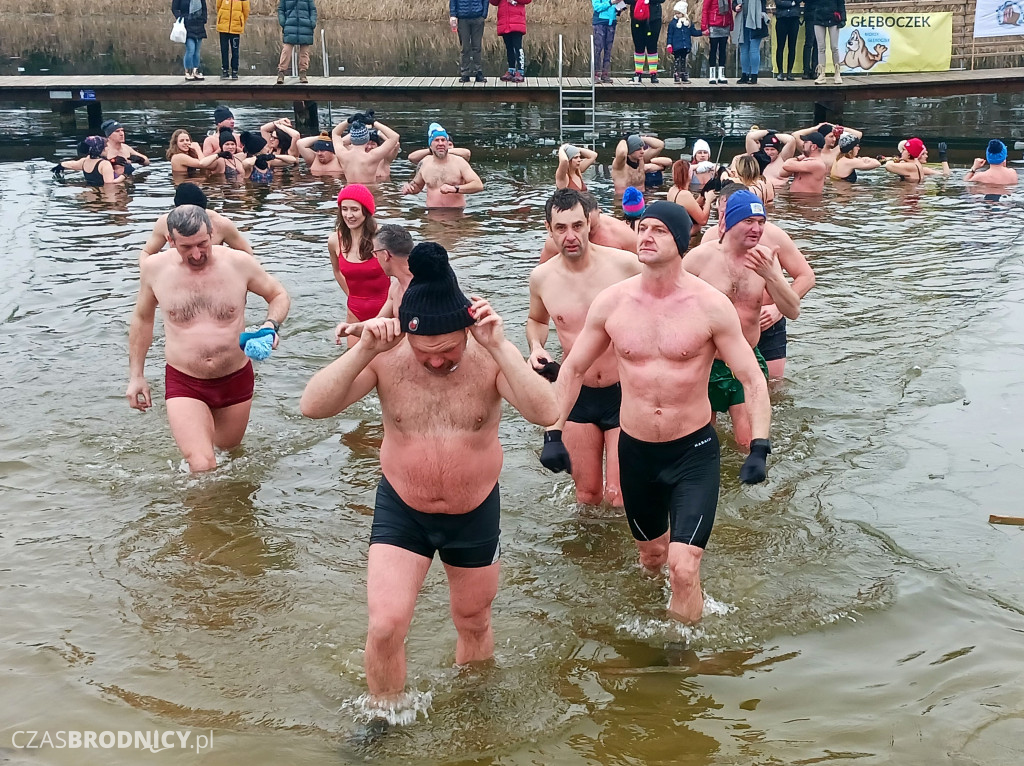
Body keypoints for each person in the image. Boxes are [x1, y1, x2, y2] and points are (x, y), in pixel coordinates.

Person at [299, 242, 558, 712]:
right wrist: (364, 351)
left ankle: (473, 707)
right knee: (384, 625)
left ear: (466, 328)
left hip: (474, 511)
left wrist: (500, 345)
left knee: (473, 621)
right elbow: (312, 406)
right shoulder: (387, 357)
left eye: (447, 351)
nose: (436, 361)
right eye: (425, 353)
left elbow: (547, 412)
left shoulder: (488, 358)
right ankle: (384, 717)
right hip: (403, 509)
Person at [542, 201, 772, 624]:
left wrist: (759, 444)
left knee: (682, 567)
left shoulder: (710, 305)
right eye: (642, 228)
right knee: (651, 558)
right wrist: (553, 432)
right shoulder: (613, 303)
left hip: (693, 451)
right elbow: (573, 367)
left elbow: (752, 378)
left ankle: (679, 658)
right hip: (636, 451)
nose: (645, 236)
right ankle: (652, 619)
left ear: (681, 241)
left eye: (659, 231)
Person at [126, 205, 290, 472]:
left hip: (235, 377)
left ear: (212, 233)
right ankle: (195, 512)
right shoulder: (155, 269)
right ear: (170, 241)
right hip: (185, 379)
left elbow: (278, 294)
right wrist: (136, 376)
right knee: (202, 464)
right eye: (186, 247)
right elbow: (143, 319)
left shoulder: (238, 263)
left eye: (203, 244)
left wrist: (271, 325)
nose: (197, 254)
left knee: (230, 458)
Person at [529, 189, 641, 506]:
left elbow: (670, 295)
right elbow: (536, 320)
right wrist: (536, 345)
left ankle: (626, 555)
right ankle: (588, 556)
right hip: (576, 392)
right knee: (587, 495)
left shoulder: (625, 266)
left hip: (623, 390)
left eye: (578, 225)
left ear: (589, 223)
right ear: (549, 230)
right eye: (562, 228)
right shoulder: (542, 278)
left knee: (619, 497)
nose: (571, 235)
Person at [682, 190, 798, 447]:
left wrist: (772, 276)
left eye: (761, 222)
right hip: (705, 364)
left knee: (748, 443)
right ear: (730, 222)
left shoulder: (765, 258)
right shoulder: (700, 258)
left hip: (746, 361)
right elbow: (668, 305)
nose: (756, 228)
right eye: (748, 221)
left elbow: (793, 310)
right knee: (701, 445)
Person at [699, 182, 815, 380]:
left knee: (773, 387)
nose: (722, 220)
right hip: (724, 336)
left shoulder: (772, 237)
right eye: (720, 213)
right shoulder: (707, 244)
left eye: (757, 221)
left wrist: (777, 311)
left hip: (768, 321)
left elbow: (807, 276)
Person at [334, 224, 416, 343]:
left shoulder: (422, 286)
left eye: (375, 253)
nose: (375, 257)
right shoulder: (395, 287)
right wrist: (352, 328)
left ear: (385, 255)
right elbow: (378, 321)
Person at [139, 182, 253, 264]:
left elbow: (247, 254)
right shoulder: (165, 223)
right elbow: (147, 253)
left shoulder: (221, 224)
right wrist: (148, 278)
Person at [330, 184, 390, 327]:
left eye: (355, 209)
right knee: (350, 350)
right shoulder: (334, 241)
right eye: (344, 209)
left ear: (366, 211)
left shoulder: (384, 237)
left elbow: (403, 273)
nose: (349, 215)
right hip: (355, 312)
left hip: (386, 311)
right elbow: (337, 271)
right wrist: (351, 296)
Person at [402, 123, 484, 208]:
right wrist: (409, 188)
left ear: (447, 143)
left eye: (443, 140)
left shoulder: (459, 162)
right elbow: (417, 186)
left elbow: (478, 185)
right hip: (432, 213)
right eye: (436, 140)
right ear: (430, 145)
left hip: (456, 213)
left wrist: (454, 189)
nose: (440, 143)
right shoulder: (425, 163)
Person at [539, 192, 639, 261]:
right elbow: (542, 273)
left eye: (578, 226)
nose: (572, 237)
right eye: (577, 226)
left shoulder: (623, 234)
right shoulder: (556, 240)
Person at [332, 114, 401, 184]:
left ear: (351, 139)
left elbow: (335, 133)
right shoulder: (372, 156)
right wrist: (373, 122)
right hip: (368, 191)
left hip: (349, 191)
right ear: (367, 138)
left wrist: (348, 121)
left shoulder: (343, 154)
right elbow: (395, 137)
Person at [55, 136, 126, 187]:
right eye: (106, 146)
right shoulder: (104, 164)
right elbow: (109, 184)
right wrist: (124, 175)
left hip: (90, 192)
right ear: (99, 149)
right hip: (102, 195)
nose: (108, 148)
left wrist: (60, 166)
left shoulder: (85, 161)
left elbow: (72, 164)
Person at [667, 159, 714, 233]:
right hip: (686, 238)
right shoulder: (685, 194)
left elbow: (686, 208)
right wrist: (708, 200)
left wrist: (701, 196)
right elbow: (703, 221)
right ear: (689, 173)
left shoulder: (672, 189)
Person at [276, 0, 317, 84]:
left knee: (304, 52)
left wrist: (312, 22)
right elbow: (281, 9)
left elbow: (313, 10)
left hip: (305, 26)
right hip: (290, 25)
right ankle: (281, 72)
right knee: (286, 50)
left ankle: (303, 73)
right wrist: (283, 22)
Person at [807, 0, 845, 84]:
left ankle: (837, 73)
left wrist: (843, 18)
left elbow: (841, 3)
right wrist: (812, 13)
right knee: (821, 47)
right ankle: (821, 74)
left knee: (834, 47)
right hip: (818, 18)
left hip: (833, 18)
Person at [492, 0, 530, 82]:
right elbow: (493, 2)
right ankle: (511, 70)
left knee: (517, 47)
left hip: (517, 21)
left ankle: (520, 72)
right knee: (509, 48)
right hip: (504, 21)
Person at [451, 0, 489, 82]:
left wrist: (484, 15)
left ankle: (478, 72)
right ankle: (465, 73)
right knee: (465, 47)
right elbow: (453, 1)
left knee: (477, 47)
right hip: (462, 18)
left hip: (478, 17)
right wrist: (453, 15)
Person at [626, 0, 664, 83]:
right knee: (639, 46)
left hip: (654, 18)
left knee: (652, 46)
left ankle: (653, 74)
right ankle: (638, 73)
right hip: (637, 17)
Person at [171, 0, 208, 81]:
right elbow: (174, 8)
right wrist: (181, 18)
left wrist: (204, 19)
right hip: (186, 25)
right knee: (191, 49)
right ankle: (188, 71)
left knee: (197, 51)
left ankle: (196, 71)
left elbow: (204, 8)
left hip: (199, 24)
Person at [665, 1, 701, 83]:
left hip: (685, 46)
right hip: (676, 46)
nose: (677, 15)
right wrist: (669, 44)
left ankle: (683, 75)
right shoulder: (673, 23)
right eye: (676, 13)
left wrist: (702, 32)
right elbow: (670, 35)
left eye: (679, 13)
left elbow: (693, 32)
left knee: (684, 60)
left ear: (683, 13)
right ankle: (676, 75)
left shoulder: (688, 23)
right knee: (677, 60)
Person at [883, 137, 950, 181]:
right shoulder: (915, 164)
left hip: (909, 195)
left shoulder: (912, 166)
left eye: (904, 150)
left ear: (909, 153)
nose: (901, 152)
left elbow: (888, 166)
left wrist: (892, 159)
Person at [733, 0, 767, 85]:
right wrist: (735, 7)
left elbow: (763, 3)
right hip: (742, 22)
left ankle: (754, 75)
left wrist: (762, 14)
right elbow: (734, 3)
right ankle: (745, 75)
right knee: (743, 50)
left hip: (756, 21)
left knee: (754, 49)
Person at [701, 0, 734, 84]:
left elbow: (729, 10)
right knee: (713, 50)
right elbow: (705, 10)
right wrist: (704, 26)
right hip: (714, 24)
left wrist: (731, 24)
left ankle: (721, 74)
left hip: (725, 24)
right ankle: (712, 75)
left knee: (723, 50)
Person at [216, 0, 249, 79]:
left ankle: (234, 71)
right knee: (224, 50)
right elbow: (218, 6)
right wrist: (221, 17)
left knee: (235, 50)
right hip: (223, 26)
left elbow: (246, 11)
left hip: (235, 27)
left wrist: (240, 21)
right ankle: (225, 70)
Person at [592, 0, 622, 83]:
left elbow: (614, 8)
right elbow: (597, 7)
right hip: (599, 22)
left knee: (608, 50)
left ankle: (605, 74)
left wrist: (619, 8)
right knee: (597, 49)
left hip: (612, 22)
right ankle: (595, 75)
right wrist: (610, 2)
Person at [774, 0, 802, 80]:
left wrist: (788, 3)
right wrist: (791, 3)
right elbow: (778, 2)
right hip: (782, 18)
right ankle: (780, 72)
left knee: (792, 46)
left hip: (794, 18)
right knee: (780, 46)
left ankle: (790, 72)